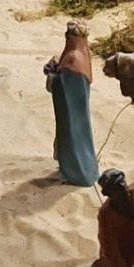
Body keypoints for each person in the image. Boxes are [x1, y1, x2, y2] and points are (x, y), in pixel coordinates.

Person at [44, 20, 99, 187]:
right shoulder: (81, 55)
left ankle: (76, 173)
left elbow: (63, 86)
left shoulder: (73, 58)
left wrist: (52, 76)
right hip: (76, 111)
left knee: (73, 138)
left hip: (72, 113)